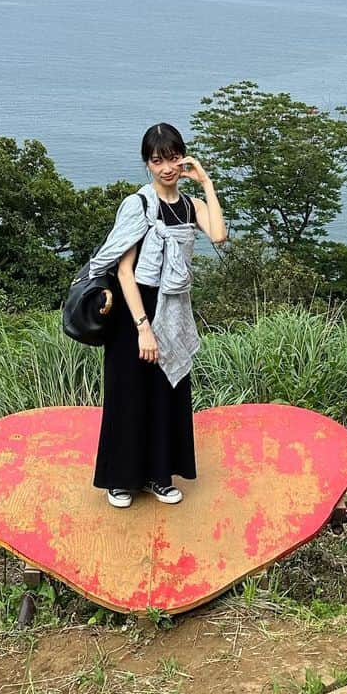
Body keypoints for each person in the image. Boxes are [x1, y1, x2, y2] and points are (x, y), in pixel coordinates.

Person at [90, 122, 227, 508]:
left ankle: (159, 475)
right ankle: (121, 480)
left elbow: (218, 235)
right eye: (157, 160)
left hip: (174, 308)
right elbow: (122, 270)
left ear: (183, 157)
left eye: (172, 158)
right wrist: (142, 329)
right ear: (147, 163)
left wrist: (206, 183)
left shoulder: (190, 205)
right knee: (129, 393)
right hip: (135, 310)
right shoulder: (139, 205)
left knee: (168, 391)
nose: (166, 167)